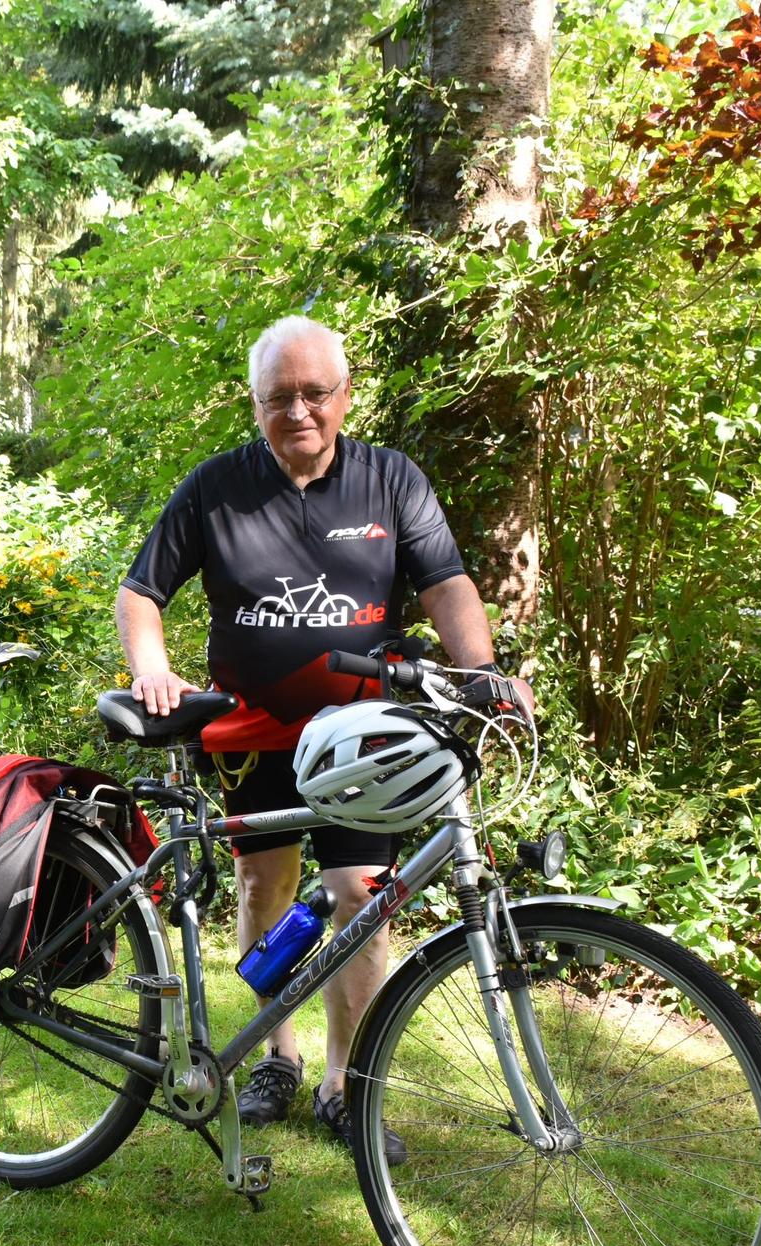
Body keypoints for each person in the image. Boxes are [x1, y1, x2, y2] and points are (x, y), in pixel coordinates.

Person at [115, 315, 528, 1154]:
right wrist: (151, 668)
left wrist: (482, 672)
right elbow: (140, 593)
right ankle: (279, 1053)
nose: (298, 410)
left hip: (361, 731)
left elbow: (446, 582)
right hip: (253, 728)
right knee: (263, 887)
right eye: (279, 397)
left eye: (315, 392)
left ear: (345, 394)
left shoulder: (390, 480)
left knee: (361, 894)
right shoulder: (215, 487)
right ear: (255, 404)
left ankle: (347, 1082)